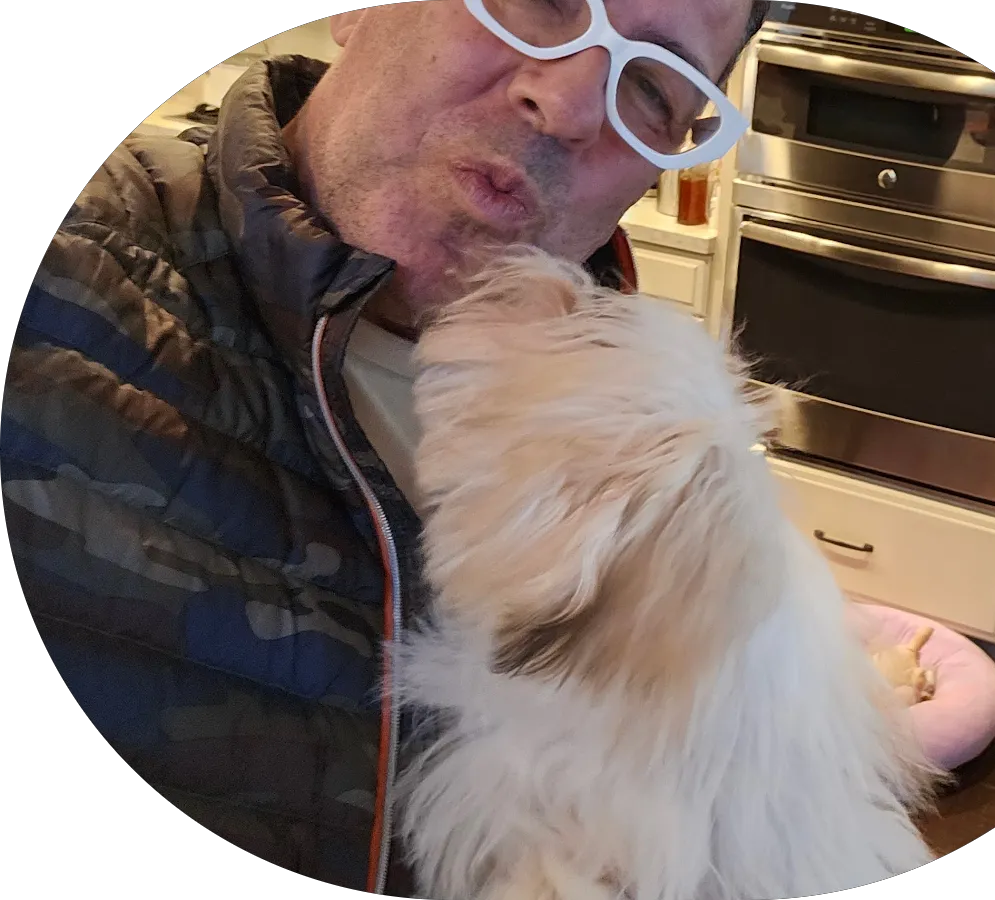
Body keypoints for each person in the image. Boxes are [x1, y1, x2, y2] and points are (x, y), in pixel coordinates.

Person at [3, 0, 771, 894]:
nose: (567, 105)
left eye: (652, 86)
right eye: (538, 0)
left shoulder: (666, 478)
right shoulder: (60, 299)